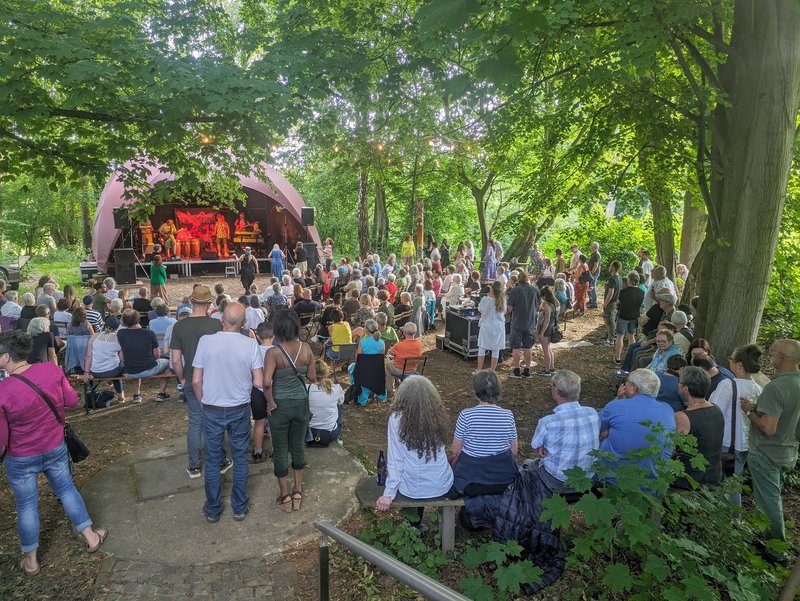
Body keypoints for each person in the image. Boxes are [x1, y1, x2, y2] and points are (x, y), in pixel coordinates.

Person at [0, 331, 108, 575]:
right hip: (54, 446)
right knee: (67, 489)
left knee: (27, 505)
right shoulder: (51, 371)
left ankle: (31, 560)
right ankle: (91, 537)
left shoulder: (3, 391)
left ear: (7, 357)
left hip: (20, 456)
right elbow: (71, 400)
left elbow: (2, 437)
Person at [192, 302, 262, 522]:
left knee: (213, 460)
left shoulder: (205, 342)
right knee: (240, 457)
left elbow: (196, 380)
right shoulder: (250, 345)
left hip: (212, 407)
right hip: (239, 408)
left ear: (221, 319)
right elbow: (259, 381)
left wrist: (203, 401)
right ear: (244, 323)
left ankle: (213, 509)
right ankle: (239, 508)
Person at [739, 339, 800, 553]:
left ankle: (777, 551)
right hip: (788, 451)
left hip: (767, 453)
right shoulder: (797, 383)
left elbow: (768, 427)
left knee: (770, 502)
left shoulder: (776, 387)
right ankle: (765, 538)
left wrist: (749, 410)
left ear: (782, 357)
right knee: (768, 498)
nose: (770, 356)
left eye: (773, 353)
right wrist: (760, 407)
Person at [376, 376, 457, 522]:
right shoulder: (437, 416)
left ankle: (414, 524)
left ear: (402, 396)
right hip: (441, 483)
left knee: (411, 478)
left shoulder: (396, 419)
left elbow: (396, 460)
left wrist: (388, 493)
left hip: (413, 487)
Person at [169, 285, 227, 478]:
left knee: (195, 421)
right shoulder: (217, 325)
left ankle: (194, 466)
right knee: (216, 421)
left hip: (191, 379)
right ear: (210, 303)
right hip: (214, 381)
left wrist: (182, 377)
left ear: (192, 302)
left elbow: (175, 359)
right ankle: (220, 460)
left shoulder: (179, 326)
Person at [263, 310, 317, 513]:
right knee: (298, 446)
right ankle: (298, 491)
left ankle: (285, 496)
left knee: (280, 449)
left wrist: (269, 403)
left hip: (280, 405)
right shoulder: (306, 349)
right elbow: (312, 377)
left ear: (277, 329)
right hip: (301, 404)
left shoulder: (273, 352)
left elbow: (266, 383)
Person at [528, 369, 600, 492]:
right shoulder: (593, 413)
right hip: (587, 477)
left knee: (528, 464)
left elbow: (535, 445)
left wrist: (542, 447)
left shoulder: (548, 422)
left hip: (557, 479)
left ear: (555, 391)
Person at [709, 344, 763, 505]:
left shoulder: (728, 385)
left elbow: (715, 413)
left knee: (727, 486)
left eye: (731, 359)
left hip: (727, 443)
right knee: (733, 483)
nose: (729, 362)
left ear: (739, 365)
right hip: (744, 444)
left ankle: (731, 520)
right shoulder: (758, 388)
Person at [598, 369, 676, 480]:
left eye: (626, 383)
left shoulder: (616, 406)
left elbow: (594, 425)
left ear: (633, 388)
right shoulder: (668, 409)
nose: (624, 385)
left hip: (613, 478)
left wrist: (617, 399)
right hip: (653, 481)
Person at [450, 371, 518, 496]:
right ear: (498, 391)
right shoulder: (508, 415)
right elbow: (514, 451)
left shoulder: (466, 415)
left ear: (476, 392)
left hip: (472, 480)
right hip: (502, 480)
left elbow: (456, 450)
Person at [673, 367, 724, 489]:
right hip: (714, 474)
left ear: (685, 389)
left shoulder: (682, 417)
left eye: (679, 382)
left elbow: (671, 448)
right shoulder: (717, 409)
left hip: (690, 478)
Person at [117, 309, 171, 402]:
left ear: (124, 321)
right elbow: (157, 354)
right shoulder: (149, 333)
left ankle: (136, 395)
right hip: (149, 369)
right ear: (138, 319)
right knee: (167, 363)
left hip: (130, 370)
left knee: (135, 364)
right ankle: (161, 393)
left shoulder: (120, 333)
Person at [83, 316, 126, 403]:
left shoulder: (94, 336)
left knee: (115, 367)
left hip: (95, 371)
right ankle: (120, 395)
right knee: (120, 366)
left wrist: (86, 372)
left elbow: (88, 356)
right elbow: (122, 359)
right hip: (112, 372)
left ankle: (106, 383)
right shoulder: (119, 339)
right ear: (117, 327)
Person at [507, 269, 539, 378]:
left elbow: (510, 308)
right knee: (528, 347)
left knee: (516, 347)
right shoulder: (534, 290)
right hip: (530, 322)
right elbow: (538, 306)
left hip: (517, 322)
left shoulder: (515, 290)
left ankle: (516, 370)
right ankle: (527, 369)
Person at [307, 360, 344, 447]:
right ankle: (338, 435)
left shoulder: (307, 388)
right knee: (339, 404)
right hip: (330, 434)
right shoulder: (336, 388)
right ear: (327, 372)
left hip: (309, 434)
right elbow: (341, 401)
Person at [350, 319, 386, 406]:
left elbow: (358, 358)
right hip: (377, 372)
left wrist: (362, 337)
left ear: (366, 329)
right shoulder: (381, 342)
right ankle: (380, 395)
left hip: (364, 373)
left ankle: (361, 394)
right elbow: (381, 358)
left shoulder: (363, 342)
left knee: (351, 367)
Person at [476, 281, 506, 372]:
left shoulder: (485, 299)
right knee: (495, 349)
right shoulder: (503, 300)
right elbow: (504, 311)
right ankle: (492, 369)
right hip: (498, 326)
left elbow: (480, 309)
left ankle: (479, 369)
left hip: (486, 325)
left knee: (482, 347)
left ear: (492, 289)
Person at [385, 322, 423, 394]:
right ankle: (397, 380)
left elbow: (389, 352)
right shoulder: (419, 344)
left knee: (388, 364)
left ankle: (390, 389)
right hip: (413, 368)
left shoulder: (399, 345)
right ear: (415, 333)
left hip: (401, 370)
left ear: (405, 332)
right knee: (394, 361)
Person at [537, 286, 559, 377]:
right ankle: (551, 367)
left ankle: (547, 370)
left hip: (546, 329)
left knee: (546, 350)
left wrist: (541, 333)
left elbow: (546, 320)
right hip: (552, 328)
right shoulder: (554, 303)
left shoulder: (547, 305)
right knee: (549, 349)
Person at [601, 261, 622, 347]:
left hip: (611, 303)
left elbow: (611, 293)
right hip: (615, 302)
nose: (609, 267)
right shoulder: (619, 277)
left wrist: (605, 303)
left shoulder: (612, 279)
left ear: (613, 268)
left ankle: (611, 341)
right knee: (611, 320)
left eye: (610, 266)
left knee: (610, 321)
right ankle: (610, 337)